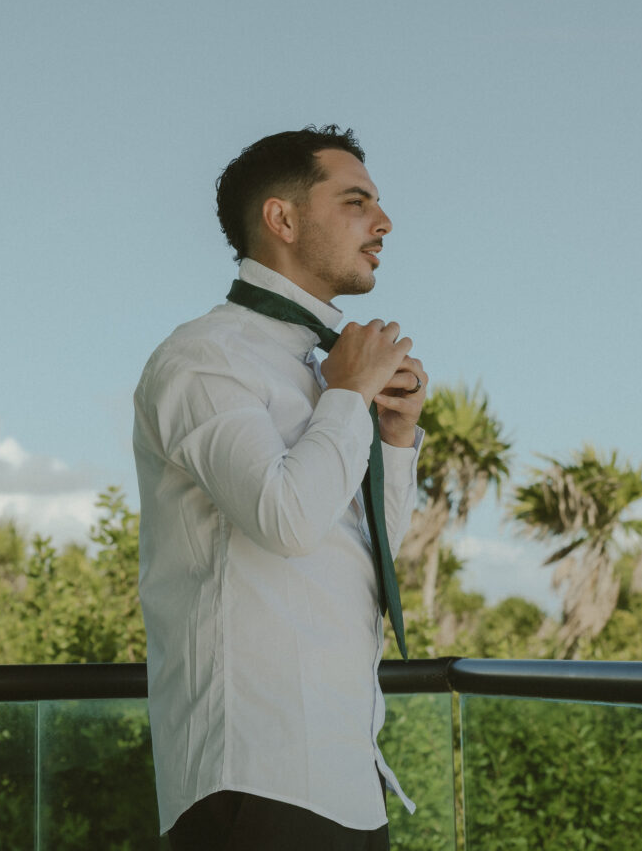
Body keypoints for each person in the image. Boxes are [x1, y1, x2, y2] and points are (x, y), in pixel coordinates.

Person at [134, 124, 428, 850]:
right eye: (356, 201)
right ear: (282, 218)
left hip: (348, 773)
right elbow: (287, 522)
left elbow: (360, 551)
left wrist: (393, 441)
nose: (383, 223)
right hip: (255, 776)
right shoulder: (203, 358)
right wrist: (349, 397)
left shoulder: (321, 367)